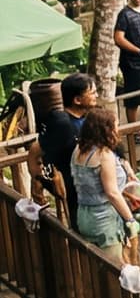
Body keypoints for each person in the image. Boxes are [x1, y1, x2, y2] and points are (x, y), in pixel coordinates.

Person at [69, 108, 140, 251]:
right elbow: (112, 193)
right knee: (113, 265)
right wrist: (130, 219)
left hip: (84, 214)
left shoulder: (78, 150)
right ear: (106, 130)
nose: (118, 130)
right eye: (115, 126)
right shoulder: (104, 155)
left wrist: (126, 168)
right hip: (103, 217)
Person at [32, 73, 95, 224]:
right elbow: (35, 152)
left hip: (94, 185)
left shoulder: (89, 118)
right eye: (92, 93)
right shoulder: (62, 124)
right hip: (74, 189)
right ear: (77, 100)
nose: (96, 95)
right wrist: (37, 183)